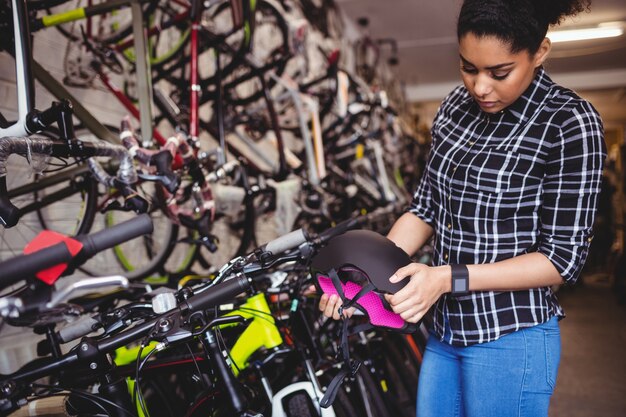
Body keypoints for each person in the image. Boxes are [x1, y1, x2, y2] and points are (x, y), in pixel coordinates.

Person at [318, 0, 606, 415]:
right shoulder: (455, 108)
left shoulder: (569, 123)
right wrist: (364, 283)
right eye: (468, 68)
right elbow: (424, 211)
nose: (481, 87)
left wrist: (446, 279)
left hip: (511, 335)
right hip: (446, 332)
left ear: (539, 52)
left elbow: (562, 261)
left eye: (499, 72)